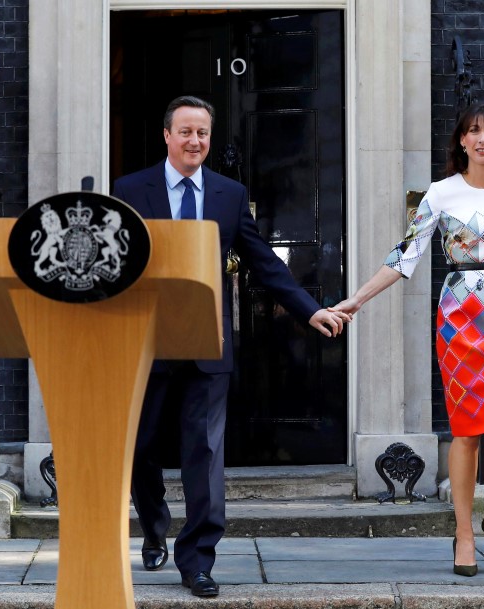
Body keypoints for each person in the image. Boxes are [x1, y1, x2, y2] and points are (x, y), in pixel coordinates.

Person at [112, 95, 350, 597]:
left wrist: (310, 310)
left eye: (202, 133)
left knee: (204, 451)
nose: (194, 141)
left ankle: (197, 560)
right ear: (167, 136)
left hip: (207, 342)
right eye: (185, 132)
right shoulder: (130, 189)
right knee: (139, 447)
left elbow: (262, 260)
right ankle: (154, 526)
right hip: (147, 342)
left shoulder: (227, 193)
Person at [332, 103, 484, 576]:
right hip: (460, 320)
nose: (482, 139)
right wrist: (357, 299)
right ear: (460, 141)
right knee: (467, 429)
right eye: (473, 131)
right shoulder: (440, 193)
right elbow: (405, 254)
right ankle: (464, 534)